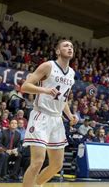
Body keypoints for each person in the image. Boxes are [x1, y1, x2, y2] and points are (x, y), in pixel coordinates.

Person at [21, 39, 78, 187]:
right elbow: (25, 86)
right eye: (66, 46)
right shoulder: (48, 66)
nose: (70, 48)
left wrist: (70, 115)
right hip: (41, 116)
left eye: (71, 46)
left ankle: (36, 185)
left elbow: (63, 98)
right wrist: (45, 90)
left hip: (57, 119)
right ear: (58, 51)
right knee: (38, 161)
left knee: (56, 165)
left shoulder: (71, 73)